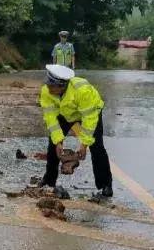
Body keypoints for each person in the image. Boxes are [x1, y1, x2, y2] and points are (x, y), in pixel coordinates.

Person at [39, 64, 113, 198]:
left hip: (89, 112)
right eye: (47, 84)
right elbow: (50, 118)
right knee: (52, 146)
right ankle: (49, 180)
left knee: (97, 147)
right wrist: (58, 141)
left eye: (51, 86)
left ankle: (105, 185)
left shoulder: (83, 91)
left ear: (62, 86)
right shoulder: (46, 91)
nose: (48, 88)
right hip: (65, 113)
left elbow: (89, 120)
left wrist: (84, 145)